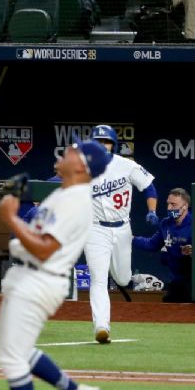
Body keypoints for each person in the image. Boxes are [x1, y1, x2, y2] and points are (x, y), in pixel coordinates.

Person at [0, 138, 110, 390]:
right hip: (29, 274)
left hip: (40, 278)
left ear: (83, 166)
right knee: (17, 350)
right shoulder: (62, 193)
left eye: (73, 151)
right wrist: (14, 218)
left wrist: (10, 217)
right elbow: (31, 240)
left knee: (12, 359)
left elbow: (44, 248)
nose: (66, 152)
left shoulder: (75, 200)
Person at [85, 124, 158, 344]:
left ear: (113, 145)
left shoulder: (126, 165)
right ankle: (101, 326)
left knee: (123, 278)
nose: (102, 146)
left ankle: (119, 275)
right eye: (98, 142)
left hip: (122, 228)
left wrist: (152, 211)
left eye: (105, 142)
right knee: (98, 280)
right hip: (95, 229)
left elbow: (149, 187)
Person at [133, 188, 193, 303]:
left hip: (194, 280)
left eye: (173, 205)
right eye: (168, 204)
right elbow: (152, 244)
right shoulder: (165, 224)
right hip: (175, 280)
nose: (169, 208)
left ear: (185, 206)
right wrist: (131, 239)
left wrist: (194, 250)